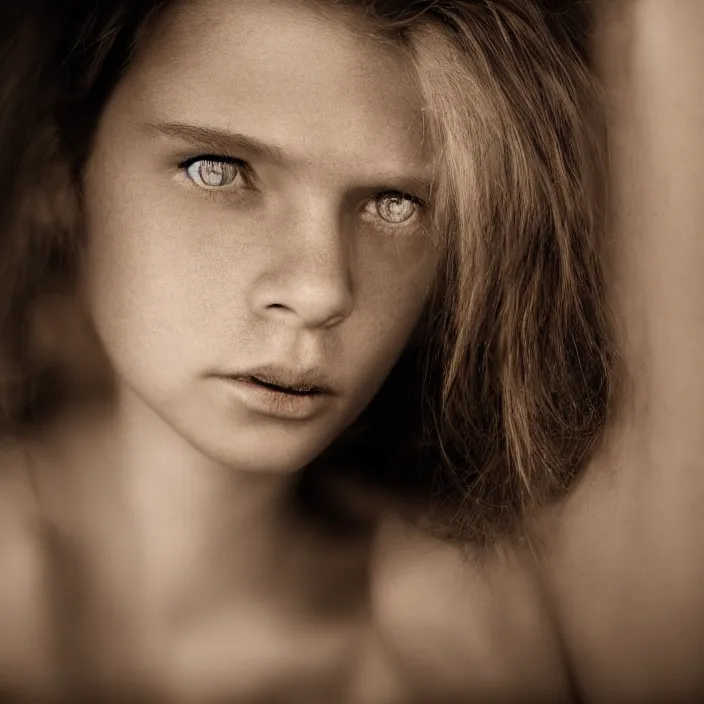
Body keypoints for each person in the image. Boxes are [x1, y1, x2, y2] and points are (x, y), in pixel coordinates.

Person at [0, 0, 616, 701]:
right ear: (64, 174)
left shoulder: (449, 643)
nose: (323, 290)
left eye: (394, 204)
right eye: (219, 169)